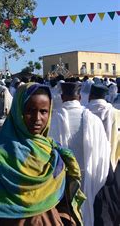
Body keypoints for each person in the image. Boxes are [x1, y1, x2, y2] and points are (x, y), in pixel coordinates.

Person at [0, 83, 85, 225]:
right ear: (17, 111)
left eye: (43, 111)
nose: (37, 118)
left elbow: (63, 202)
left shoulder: (51, 151)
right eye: (30, 111)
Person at [49, 82, 110, 226]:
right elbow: (104, 157)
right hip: (89, 179)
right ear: (79, 97)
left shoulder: (52, 120)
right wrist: (92, 183)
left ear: (62, 97)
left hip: (60, 182)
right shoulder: (94, 121)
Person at [85, 84, 120, 225]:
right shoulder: (116, 113)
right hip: (113, 165)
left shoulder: (84, 112)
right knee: (111, 203)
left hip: (88, 163)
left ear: (90, 95)